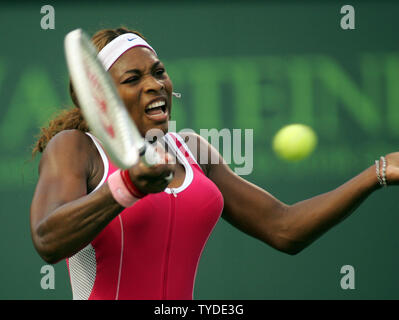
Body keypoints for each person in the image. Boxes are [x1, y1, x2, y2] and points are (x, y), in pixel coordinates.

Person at [30, 27, 399, 300]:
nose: (155, 85)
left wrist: (377, 173)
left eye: (159, 72)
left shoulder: (194, 150)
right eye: (133, 78)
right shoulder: (76, 148)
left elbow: (284, 228)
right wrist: (127, 187)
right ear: (102, 98)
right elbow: (47, 239)